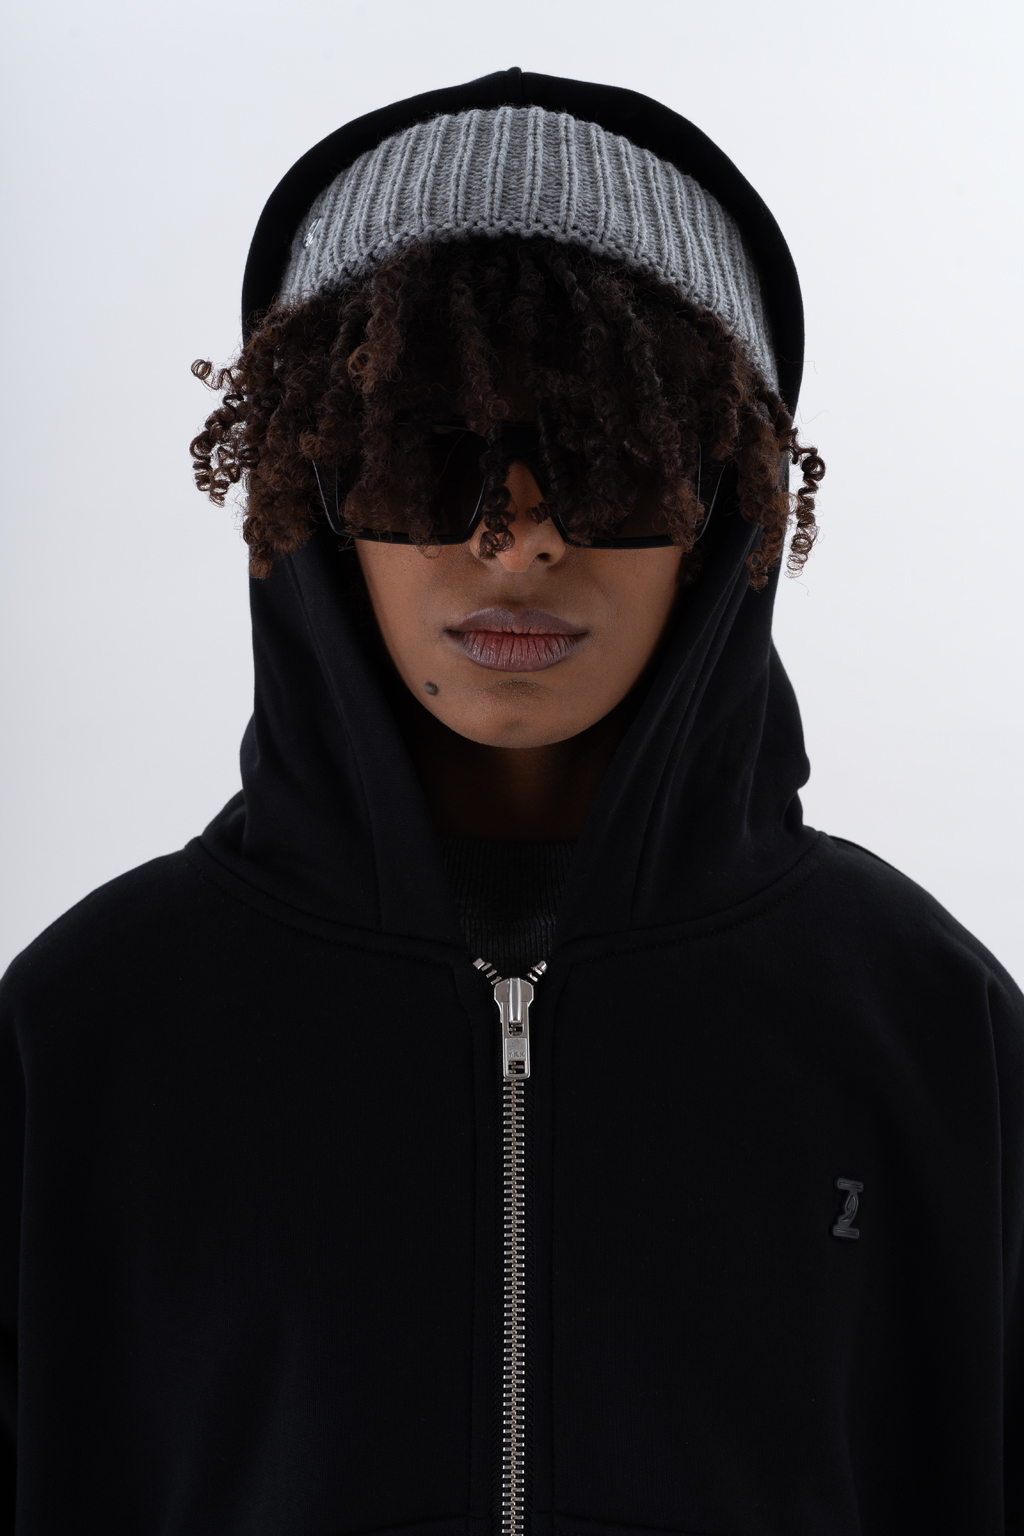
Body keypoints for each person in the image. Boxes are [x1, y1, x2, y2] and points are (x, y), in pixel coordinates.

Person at [0, 66, 1021, 1536]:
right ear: (309, 491)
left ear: (724, 500)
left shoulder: (929, 1031)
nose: (519, 539)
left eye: (610, 458)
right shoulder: (87, 1037)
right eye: (427, 455)